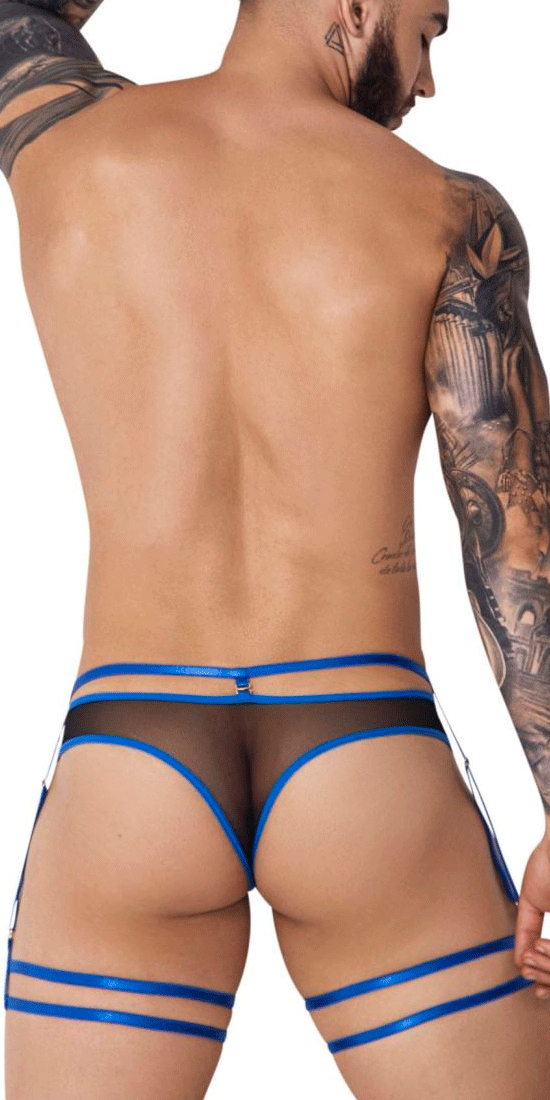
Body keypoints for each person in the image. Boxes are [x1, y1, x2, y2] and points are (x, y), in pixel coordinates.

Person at [1, 0, 549, 1096]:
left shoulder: (61, 141)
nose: (426, 82)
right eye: (428, 31)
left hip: (131, 760)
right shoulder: (447, 211)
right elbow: (516, 538)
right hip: (362, 753)